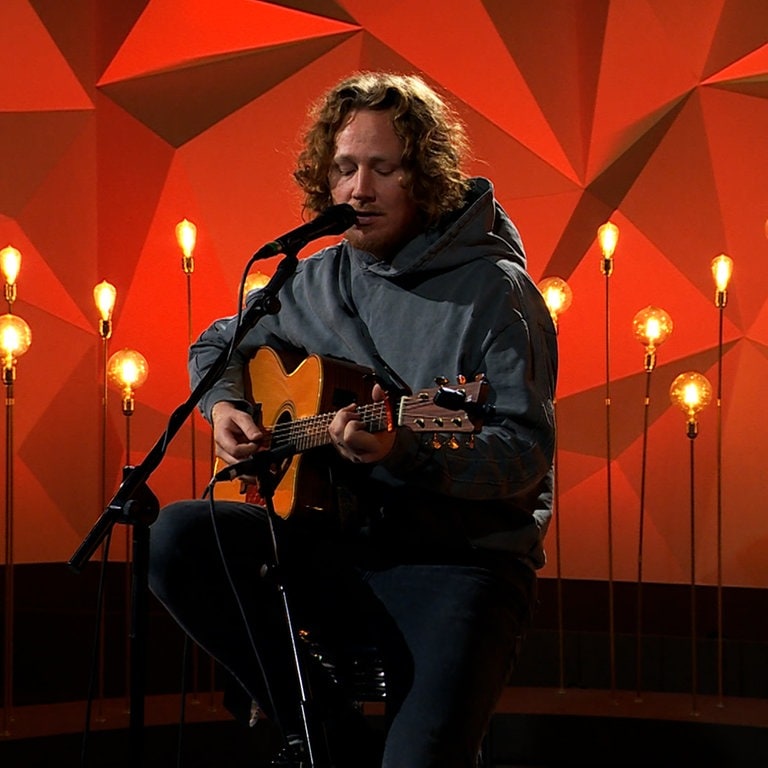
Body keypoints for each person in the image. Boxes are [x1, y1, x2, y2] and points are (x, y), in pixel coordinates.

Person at [148, 71, 557, 768]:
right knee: (177, 535)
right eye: (343, 169)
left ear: (423, 174)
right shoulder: (314, 277)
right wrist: (224, 409)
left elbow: (522, 453)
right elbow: (218, 344)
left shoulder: (496, 292)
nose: (358, 191)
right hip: (336, 544)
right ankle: (320, 734)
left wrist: (408, 452)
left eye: (382, 169)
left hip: (459, 563)